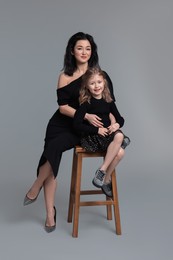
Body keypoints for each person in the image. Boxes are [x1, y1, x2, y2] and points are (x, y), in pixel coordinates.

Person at [23, 32, 124, 233]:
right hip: (62, 124)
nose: (84, 52)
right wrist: (84, 115)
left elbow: (110, 105)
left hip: (86, 129)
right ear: (72, 50)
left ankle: (35, 186)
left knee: (53, 154)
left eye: (88, 48)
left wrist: (114, 125)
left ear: (92, 51)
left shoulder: (100, 76)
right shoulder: (65, 76)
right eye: (80, 48)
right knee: (52, 151)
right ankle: (49, 212)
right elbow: (62, 108)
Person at [73, 67, 130, 198]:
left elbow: (121, 119)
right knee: (120, 150)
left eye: (99, 82)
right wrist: (97, 130)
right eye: (92, 83)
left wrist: (116, 124)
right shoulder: (85, 103)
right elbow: (76, 125)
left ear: (104, 82)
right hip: (92, 137)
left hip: (107, 136)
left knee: (119, 137)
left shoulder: (108, 101)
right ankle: (106, 178)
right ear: (87, 86)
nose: (96, 86)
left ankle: (102, 172)